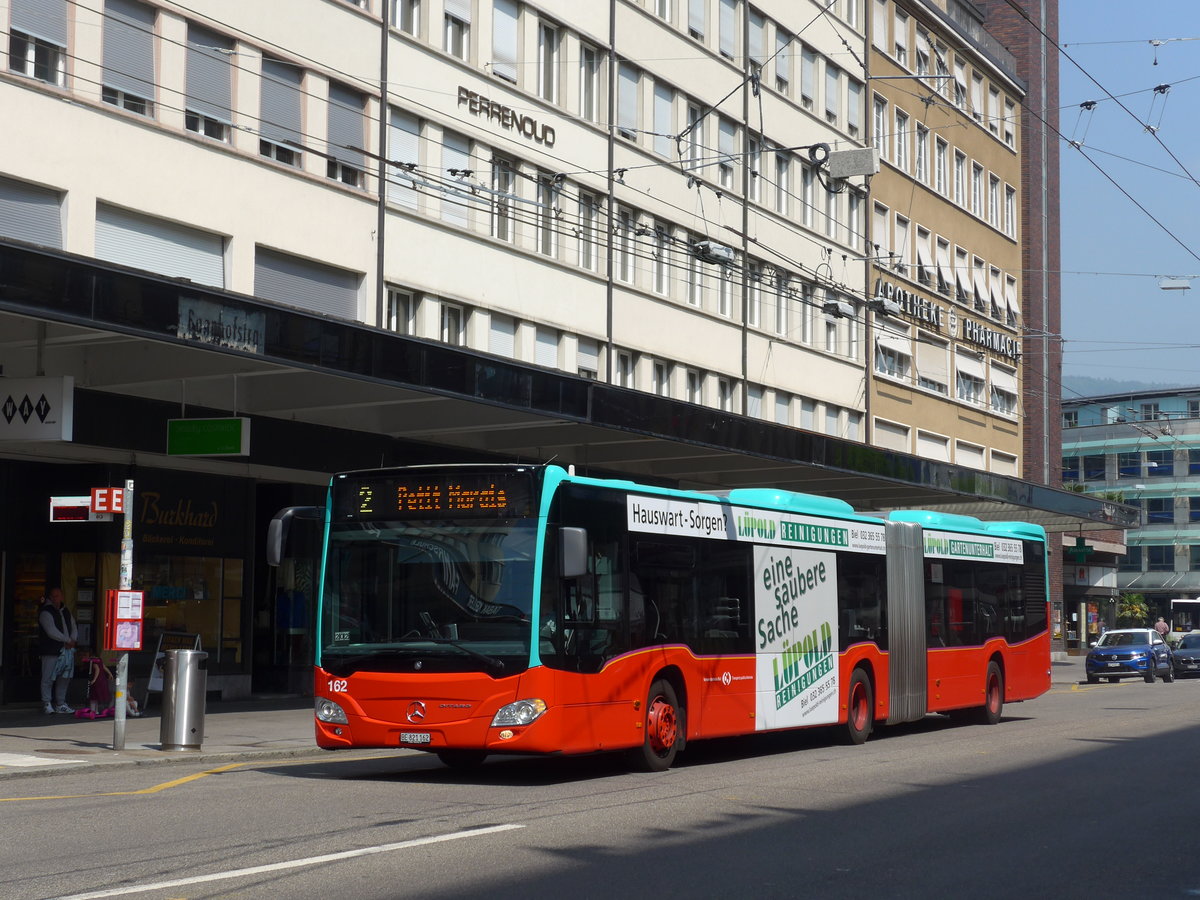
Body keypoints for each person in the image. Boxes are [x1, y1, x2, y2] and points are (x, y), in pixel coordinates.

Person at [37, 587, 77, 715]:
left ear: (62, 597)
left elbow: (73, 626)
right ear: (50, 598)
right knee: (48, 678)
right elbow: (51, 631)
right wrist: (67, 640)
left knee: (64, 677)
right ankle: (47, 703)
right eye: (53, 596)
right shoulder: (46, 612)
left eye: (58, 596)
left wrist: (73, 639)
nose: (55, 598)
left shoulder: (66, 611)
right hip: (51, 650)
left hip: (67, 650)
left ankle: (61, 703)